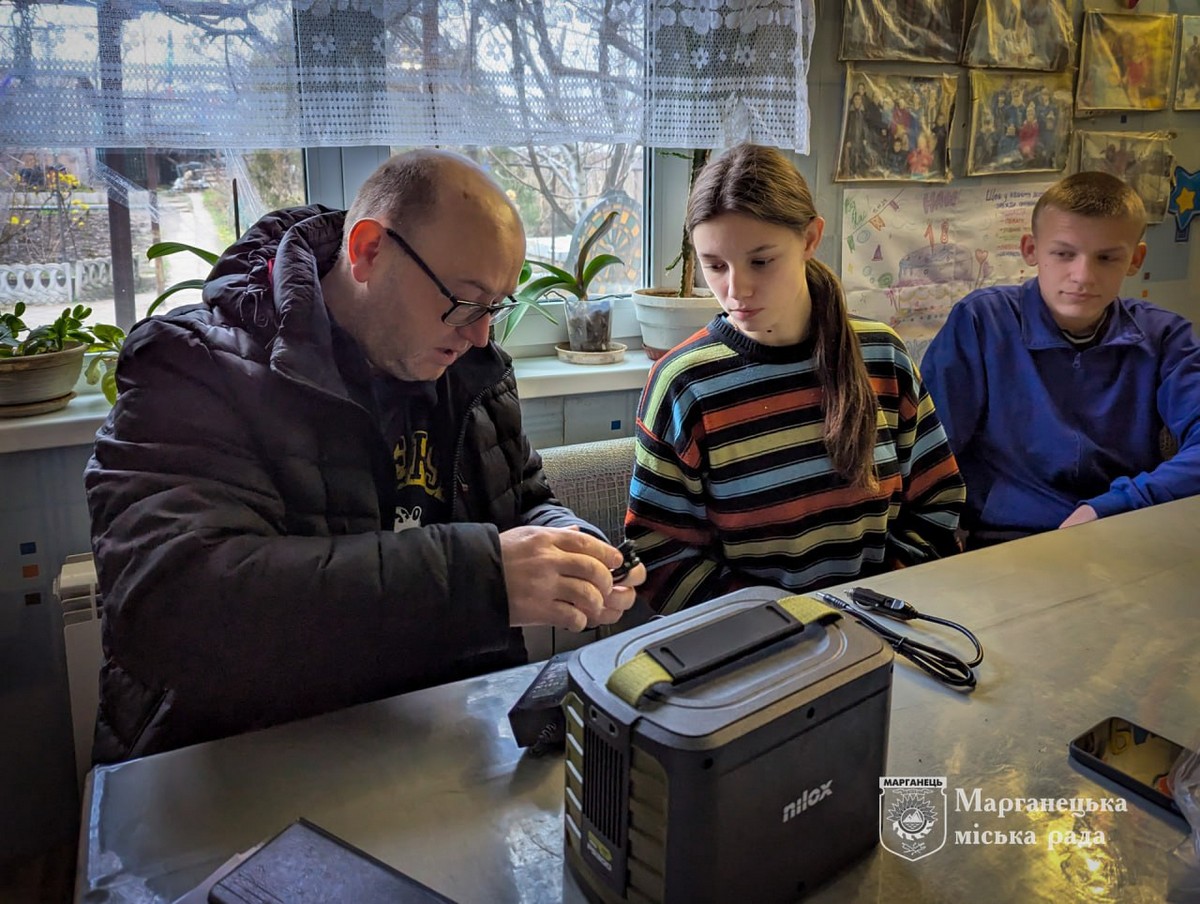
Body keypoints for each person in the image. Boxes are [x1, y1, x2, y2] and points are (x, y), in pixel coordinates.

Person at [85, 149, 644, 762]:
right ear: (368, 250)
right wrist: (479, 579)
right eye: (464, 300)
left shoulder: (472, 369)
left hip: (441, 741)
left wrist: (569, 545)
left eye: (497, 306)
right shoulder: (191, 367)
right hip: (246, 765)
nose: (481, 334)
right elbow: (170, 609)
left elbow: (523, 503)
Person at [623, 144, 965, 615]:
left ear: (809, 239)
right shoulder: (683, 385)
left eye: (761, 261)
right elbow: (661, 556)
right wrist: (790, 623)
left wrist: (871, 609)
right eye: (715, 265)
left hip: (886, 628)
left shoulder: (883, 357)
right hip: (756, 647)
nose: (735, 290)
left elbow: (938, 504)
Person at [921, 171, 1200, 546]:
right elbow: (926, 454)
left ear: (1135, 259)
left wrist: (1118, 504)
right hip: (1005, 542)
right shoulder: (982, 322)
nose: (1082, 275)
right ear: (1030, 250)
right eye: (1063, 254)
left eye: (1106, 257)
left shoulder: (1166, 337)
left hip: (1123, 530)